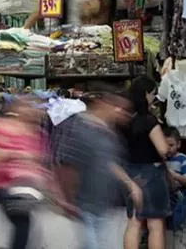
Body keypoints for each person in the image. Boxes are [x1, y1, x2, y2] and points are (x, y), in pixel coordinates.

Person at [0, 97, 66, 249]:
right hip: (7, 188)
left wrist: (57, 195)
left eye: (35, 108)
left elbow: (41, 167)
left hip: (30, 190)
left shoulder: (38, 134)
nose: (33, 111)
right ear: (15, 109)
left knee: (27, 231)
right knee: (23, 227)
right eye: (27, 107)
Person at [55, 92, 142, 249]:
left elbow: (110, 163)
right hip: (85, 205)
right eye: (118, 108)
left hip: (101, 206)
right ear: (103, 104)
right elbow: (67, 166)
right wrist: (67, 200)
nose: (122, 113)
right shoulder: (80, 129)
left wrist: (130, 184)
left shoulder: (109, 133)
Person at [122, 76, 170, 249]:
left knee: (134, 221)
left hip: (130, 173)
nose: (153, 97)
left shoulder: (125, 120)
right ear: (145, 94)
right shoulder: (149, 120)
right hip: (151, 174)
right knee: (155, 223)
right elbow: (163, 149)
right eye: (152, 94)